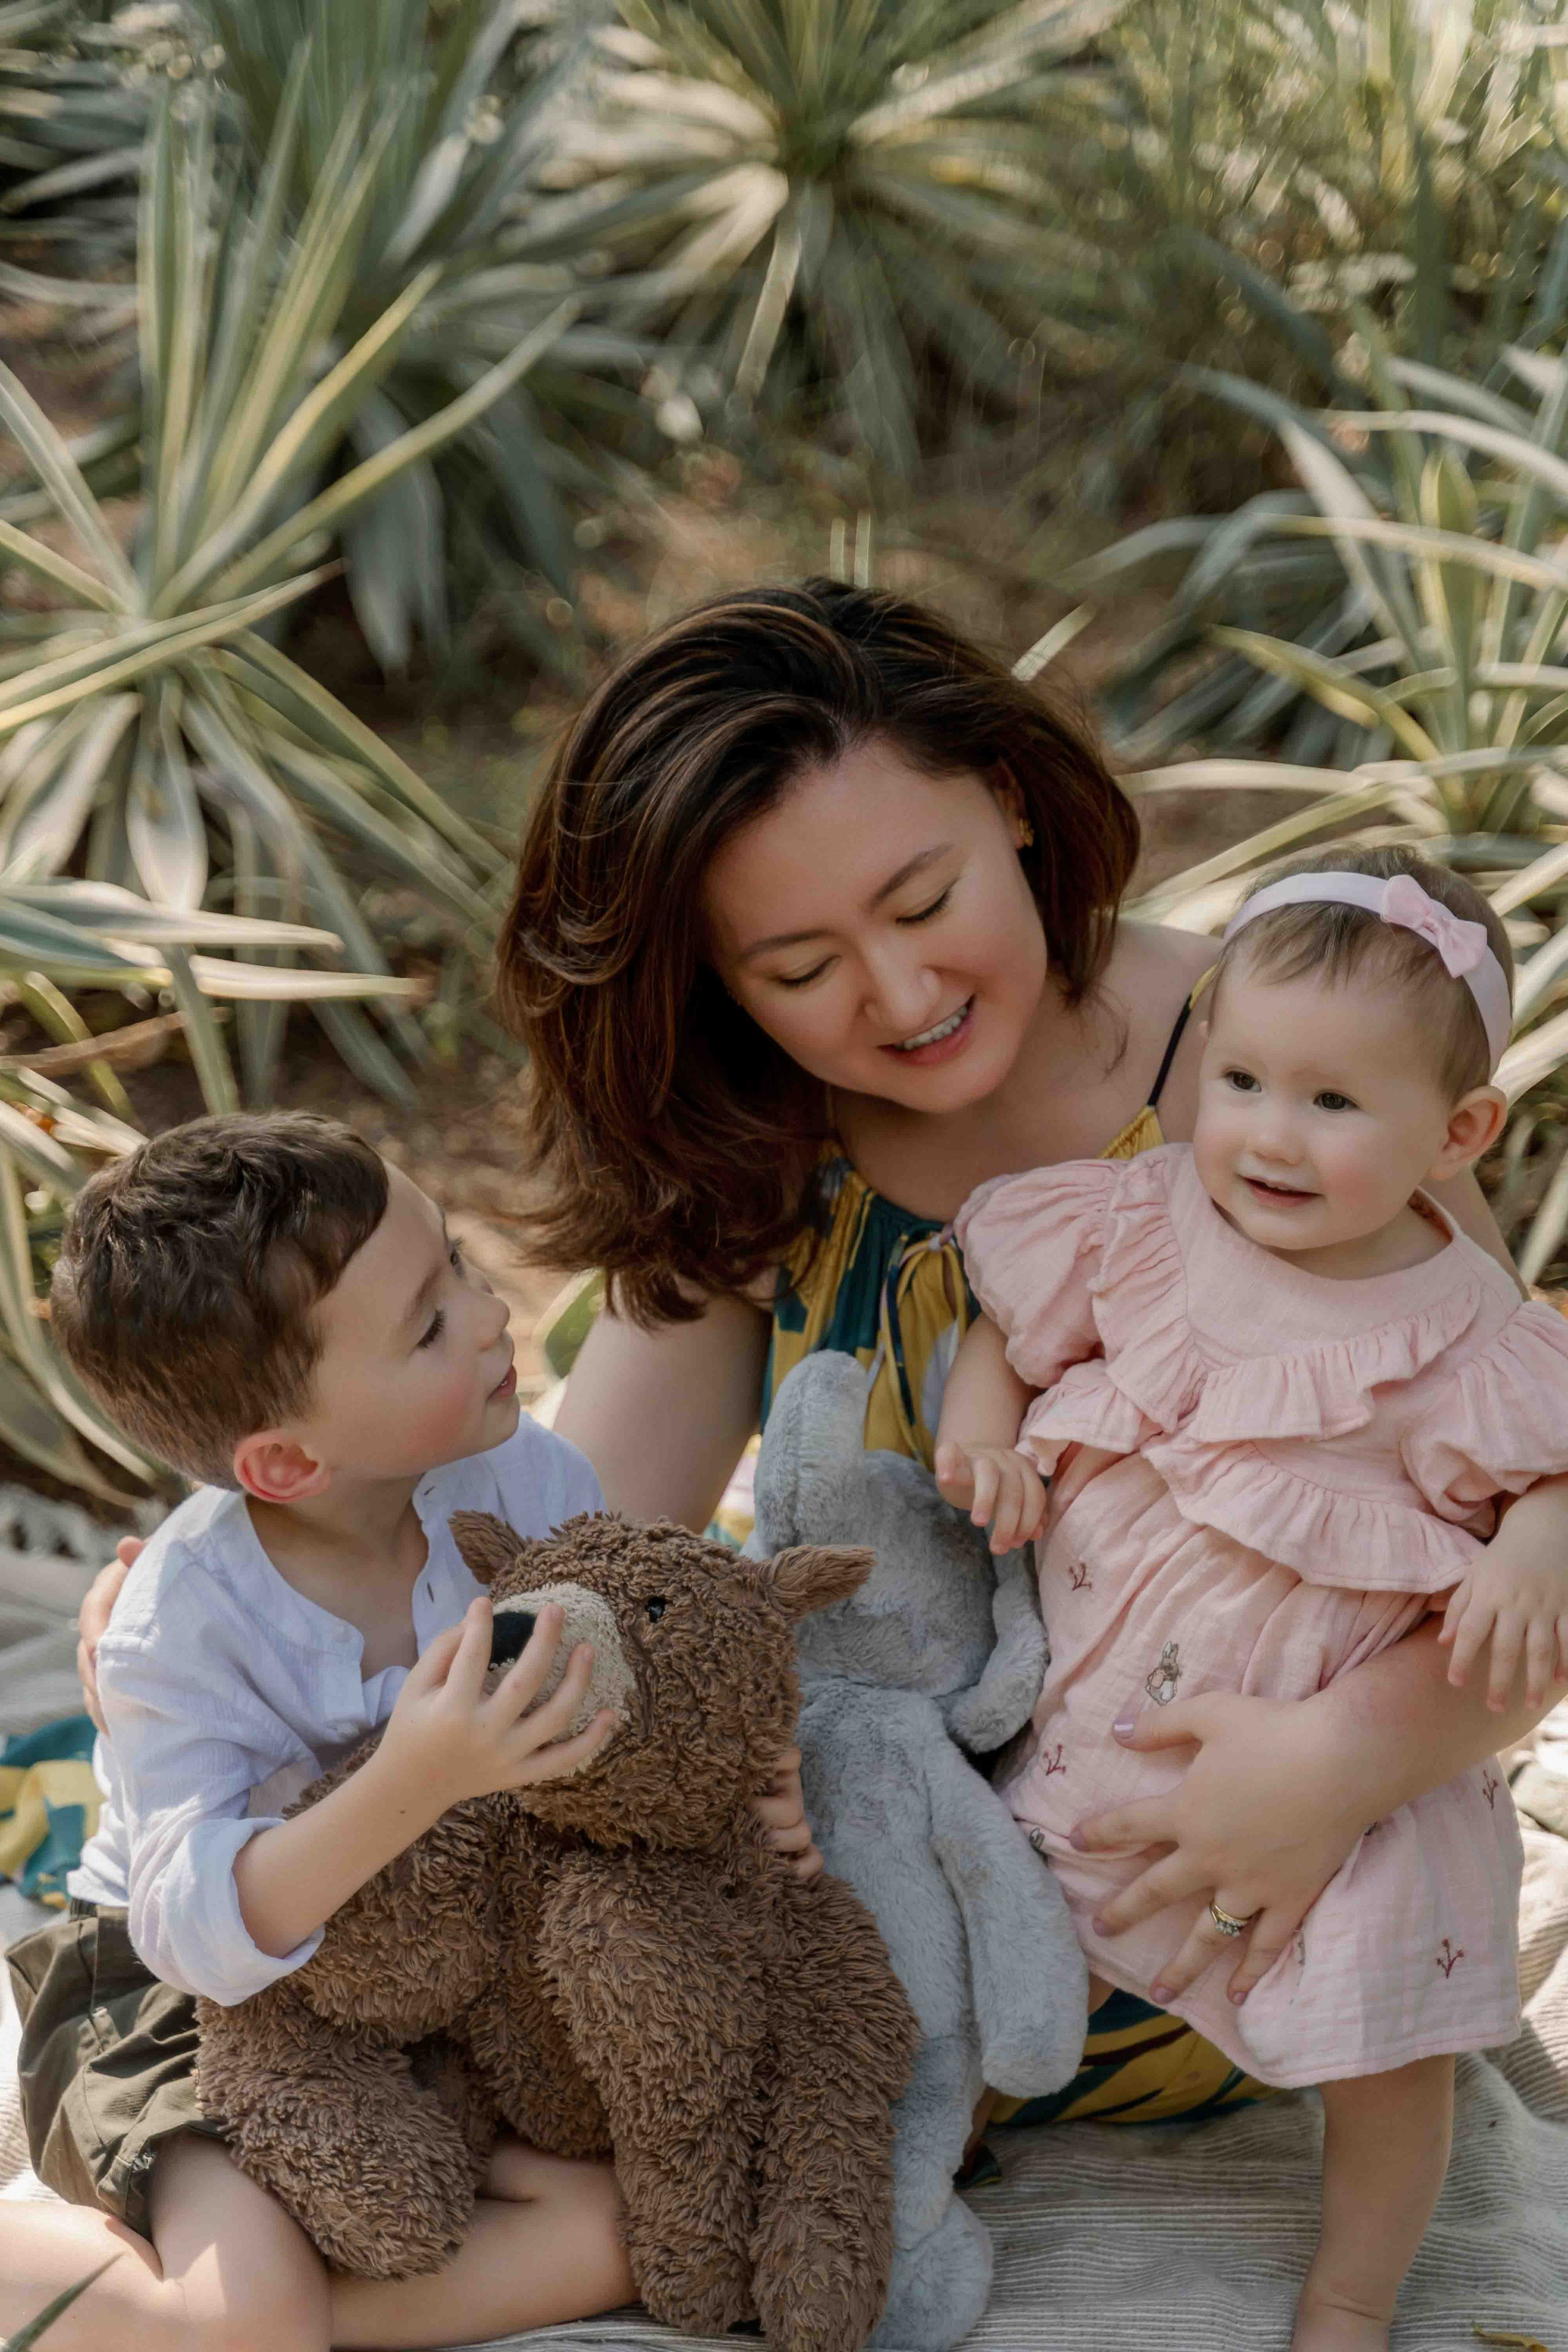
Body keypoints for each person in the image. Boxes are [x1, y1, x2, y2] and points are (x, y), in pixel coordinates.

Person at [77, 579, 1568, 2129]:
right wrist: (222, 1611)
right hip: (859, 1910)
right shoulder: (752, 1153)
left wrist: (1334, 1764)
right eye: (798, 968)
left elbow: (1532, 1517)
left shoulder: (1290, 1071)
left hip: (1241, 1899)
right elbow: (568, 1565)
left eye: (923, 905)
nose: (902, 995)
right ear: (715, 984)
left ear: (1008, 800)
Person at [0, 1113, 804, 2352]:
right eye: (429, 1325)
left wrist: (748, 1778)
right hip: (174, 2003)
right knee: (249, 2318)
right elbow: (195, 1931)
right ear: (283, 1461)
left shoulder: (524, 1480)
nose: (492, 1320)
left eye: (460, 1272)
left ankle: (306, 2298)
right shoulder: (182, 1622)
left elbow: (628, 1688)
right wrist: (417, 1779)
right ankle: (233, 2297)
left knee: (623, 2227)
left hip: (446, 1983)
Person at [934, 846, 1568, 2348]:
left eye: (1334, 1103)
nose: (1269, 1138)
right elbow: (1006, 1329)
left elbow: (1549, 1458)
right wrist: (975, 1430)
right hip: (1100, 1715)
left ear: (1454, 1131)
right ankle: (924, 2158)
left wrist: (1537, 1534)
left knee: (1386, 2055)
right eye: (1240, 1082)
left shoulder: (1463, 1332)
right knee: (984, 1934)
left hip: (1333, 1795)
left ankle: (1349, 2293)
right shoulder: (1139, 1220)